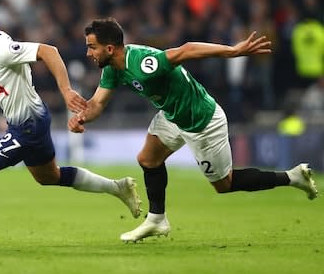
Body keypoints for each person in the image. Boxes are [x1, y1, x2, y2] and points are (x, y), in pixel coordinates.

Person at [68, 18, 318, 243]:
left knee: (224, 184)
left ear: (110, 49)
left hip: (202, 121)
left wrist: (233, 51)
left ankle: (292, 177)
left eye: (92, 47)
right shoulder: (112, 69)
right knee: (148, 159)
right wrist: (81, 117)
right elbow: (98, 104)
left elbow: (186, 49)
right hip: (172, 115)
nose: (89, 52)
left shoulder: (144, 63)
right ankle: (157, 220)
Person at [0, 3, 141, 241]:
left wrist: (66, 90)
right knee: (49, 177)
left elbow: (48, 51)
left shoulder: (1, 48)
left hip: (27, 127)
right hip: (32, 121)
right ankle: (118, 188)